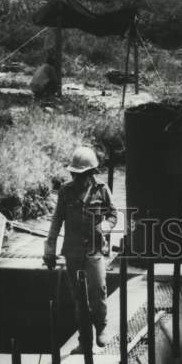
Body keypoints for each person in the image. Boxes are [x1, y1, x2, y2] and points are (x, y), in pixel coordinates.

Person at [43, 145, 117, 347]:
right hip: (73, 251)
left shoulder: (101, 190)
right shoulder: (66, 191)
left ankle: (101, 328)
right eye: (74, 174)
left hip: (94, 249)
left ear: (91, 172)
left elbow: (113, 215)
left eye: (81, 174)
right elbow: (57, 220)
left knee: (98, 290)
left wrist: (105, 225)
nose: (77, 178)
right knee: (79, 297)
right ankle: (85, 338)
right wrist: (49, 249)